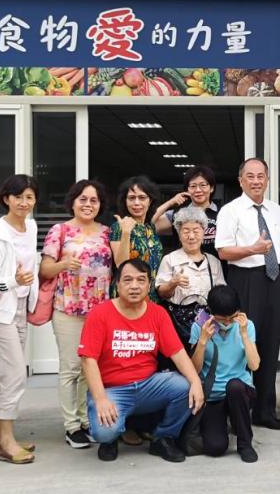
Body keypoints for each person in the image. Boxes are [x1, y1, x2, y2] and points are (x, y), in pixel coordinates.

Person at [79, 259, 205, 463]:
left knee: (185, 387)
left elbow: (178, 353)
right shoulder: (100, 314)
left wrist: (196, 382)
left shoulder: (158, 313)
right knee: (104, 432)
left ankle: (163, 437)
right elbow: (88, 360)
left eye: (141, 280)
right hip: (113, 390)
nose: (134, 286)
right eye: (128, 280)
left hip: (148, 386)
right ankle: (112, 439)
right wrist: (101, 399)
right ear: (117, 284)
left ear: (149, 285)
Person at [214, 157, 280, 430]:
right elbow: (223, 251)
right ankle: (241, 411)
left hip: (274, 280)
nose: (256, 181)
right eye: (250, 176)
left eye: (261, 176)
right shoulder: (230, 211)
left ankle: (265, 411)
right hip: (245, 279)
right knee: (244, 344)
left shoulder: (276, 210)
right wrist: (252, 249)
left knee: (270, 343)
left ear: (267, 179)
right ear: (241, 180)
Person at [40, 179, 112, 450]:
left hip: (100, 310)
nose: (88, 204)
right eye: (83, 199)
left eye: (94, 200)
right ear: (72, 202)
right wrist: (62, 264)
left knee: (89, 368)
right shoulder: (60, 231)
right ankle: (71, 426)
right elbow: (45, 269)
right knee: (70, 368)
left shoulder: (107, 232)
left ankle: (84, 420)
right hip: (68, 308)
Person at [0, 174, 40, 464]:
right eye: (18, 197)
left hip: (20, 307)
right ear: (6, 199)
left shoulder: (31, 226)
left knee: (3, 373)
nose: (24, 203)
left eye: (29, 197)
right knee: (15, 373)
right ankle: (7, 440)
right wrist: (16, 281)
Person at [189, 284, 260, 462]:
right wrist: (202, 341)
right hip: (213, 395)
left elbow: (254, 365)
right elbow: (194, 370)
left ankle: (245, 443)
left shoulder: (246, 325)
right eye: (222, 319)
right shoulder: (199, 326)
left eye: (232, 317)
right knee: (215, 447)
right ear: (211, 312)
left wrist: (244, 334)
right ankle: (227, 422)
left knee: (234, 386)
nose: (227, 323)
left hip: (240, 391)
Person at [155, 205, 225, 349]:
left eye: (196, 231)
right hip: (178, 324)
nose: (191, 236)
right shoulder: (169, 259)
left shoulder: (213, 262)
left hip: (207, 323)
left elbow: (221, 295)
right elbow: (161, 293)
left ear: (204, 232)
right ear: (179, 234)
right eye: (186, 231)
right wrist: (173, 283)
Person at [110, 175, 164, 301]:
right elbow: (121, 264)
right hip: (129, 295)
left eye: (142, 197)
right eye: (131, 198)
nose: (137, 203)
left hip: (150, 294)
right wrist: (126, 233)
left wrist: (172, 202)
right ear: (125, 201)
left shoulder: (150, 227)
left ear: (150, 201)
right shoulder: (118, 226)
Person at [154, 166, 220, 255]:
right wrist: (170, 202)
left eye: (203, 185)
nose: (198, 190)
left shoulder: (223, 213)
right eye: (193, 186)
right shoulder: (178, 214)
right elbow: (149, 224)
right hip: (182, 263)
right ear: (187, 190)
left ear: (211, 188)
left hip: (215, 263)